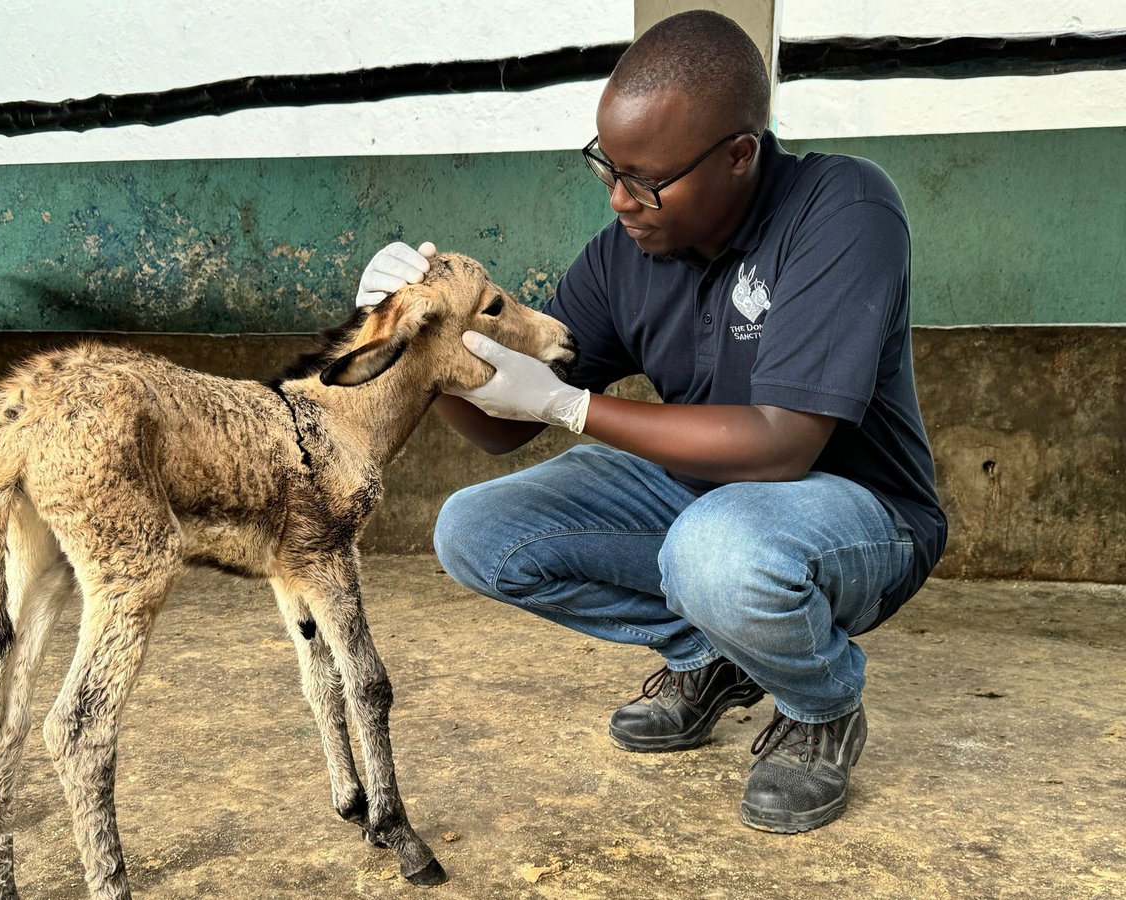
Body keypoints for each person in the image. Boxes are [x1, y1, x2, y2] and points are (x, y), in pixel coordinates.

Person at [354, 10, 946, 834]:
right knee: (475, 530)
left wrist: (572, 406)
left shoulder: (842, 210)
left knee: (719, 553)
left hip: (855, 509)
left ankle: (822, 704)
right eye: (607, 167)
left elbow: (783, 442)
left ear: (740, 155)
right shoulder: (626, 253)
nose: (620, 198)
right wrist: (421, 338)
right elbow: (500, 428)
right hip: (701, 497)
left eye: (646, 178)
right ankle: (712, 656)